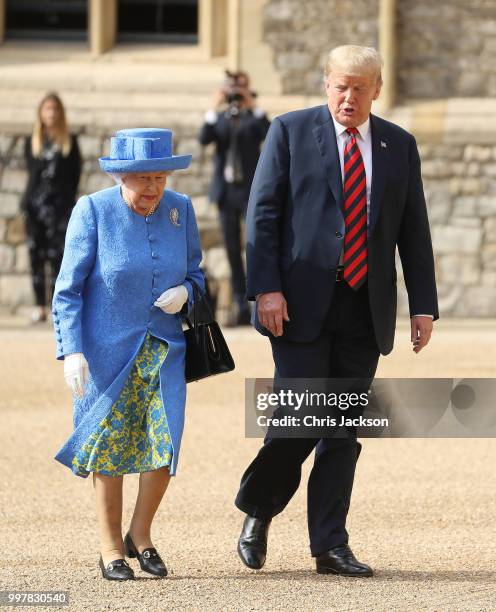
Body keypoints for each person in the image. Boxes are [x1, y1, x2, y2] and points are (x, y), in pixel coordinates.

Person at [235, 46, 438, 576]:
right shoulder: (290, 131)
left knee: (342, 431)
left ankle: (330, 544)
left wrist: (424, 306)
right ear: (327, 84)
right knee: (299, 422)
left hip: (365, 308)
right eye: (340, 85)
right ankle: (259, 508)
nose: (349, 97)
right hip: (298, 306)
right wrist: (266, 289)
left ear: (377, 89)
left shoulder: (399, 145)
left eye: (360, 87)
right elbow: (263, 215)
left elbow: (413, 229)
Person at [52, 128, 204, 581]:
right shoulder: (92, 211)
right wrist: (72, 350)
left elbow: (197, 274)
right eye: (143, 179)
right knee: (109, 448)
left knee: (165, 443)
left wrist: (186, 292)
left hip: (165, 350)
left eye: (159, 177)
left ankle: (142, 534)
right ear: (121, 177)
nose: (153, 189)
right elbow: (67, 292)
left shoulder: (182, 210)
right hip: (106, 354)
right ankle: (110, 548)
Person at [198, 71, 270, 325]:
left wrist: (253, 105)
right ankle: (239, 301)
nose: (236, 92)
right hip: (226, 191)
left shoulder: (254, 118)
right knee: (231, 247)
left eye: (241, 87)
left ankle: (255, 298)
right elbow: (204, 138)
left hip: (250, 190)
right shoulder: (220, 118)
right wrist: (213, 106)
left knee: (254, 243)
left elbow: (269, 134)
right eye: (233, 88)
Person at [21, 92, 81, 323]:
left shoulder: (69, 142)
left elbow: (75, 175)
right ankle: (39, 305)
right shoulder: (32, 141)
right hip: (35, 208)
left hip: (60, 208)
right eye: (47, 109)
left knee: (59, 257)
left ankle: (58, 304)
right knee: (36, 254)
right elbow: (32, 174)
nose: (52, 114)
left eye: (55, 109)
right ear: (41, 113)